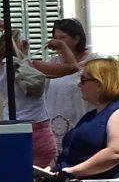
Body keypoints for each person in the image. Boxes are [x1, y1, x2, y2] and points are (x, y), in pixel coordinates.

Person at [36, 57, 119, 182]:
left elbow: (115, 153)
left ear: (100, 82)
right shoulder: (90, 116)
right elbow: (70, 150)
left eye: (83, 80)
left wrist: (73, 171)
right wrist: (48, 169)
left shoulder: (117, 113)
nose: (79, 85)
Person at [0, 20, 56, 166]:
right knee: (42, 180)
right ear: (24, 45)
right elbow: (72, 67)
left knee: (15, 177)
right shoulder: (32, 66)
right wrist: (62, 46)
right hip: (38, 127)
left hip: (10, 128)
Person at [36, 18, 93, 159]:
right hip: (56, 123)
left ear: (77, 38)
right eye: (56, 38)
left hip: (83, 121)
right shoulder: (54, 63)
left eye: (63, 38)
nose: (58, 41)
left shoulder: (93, 62)